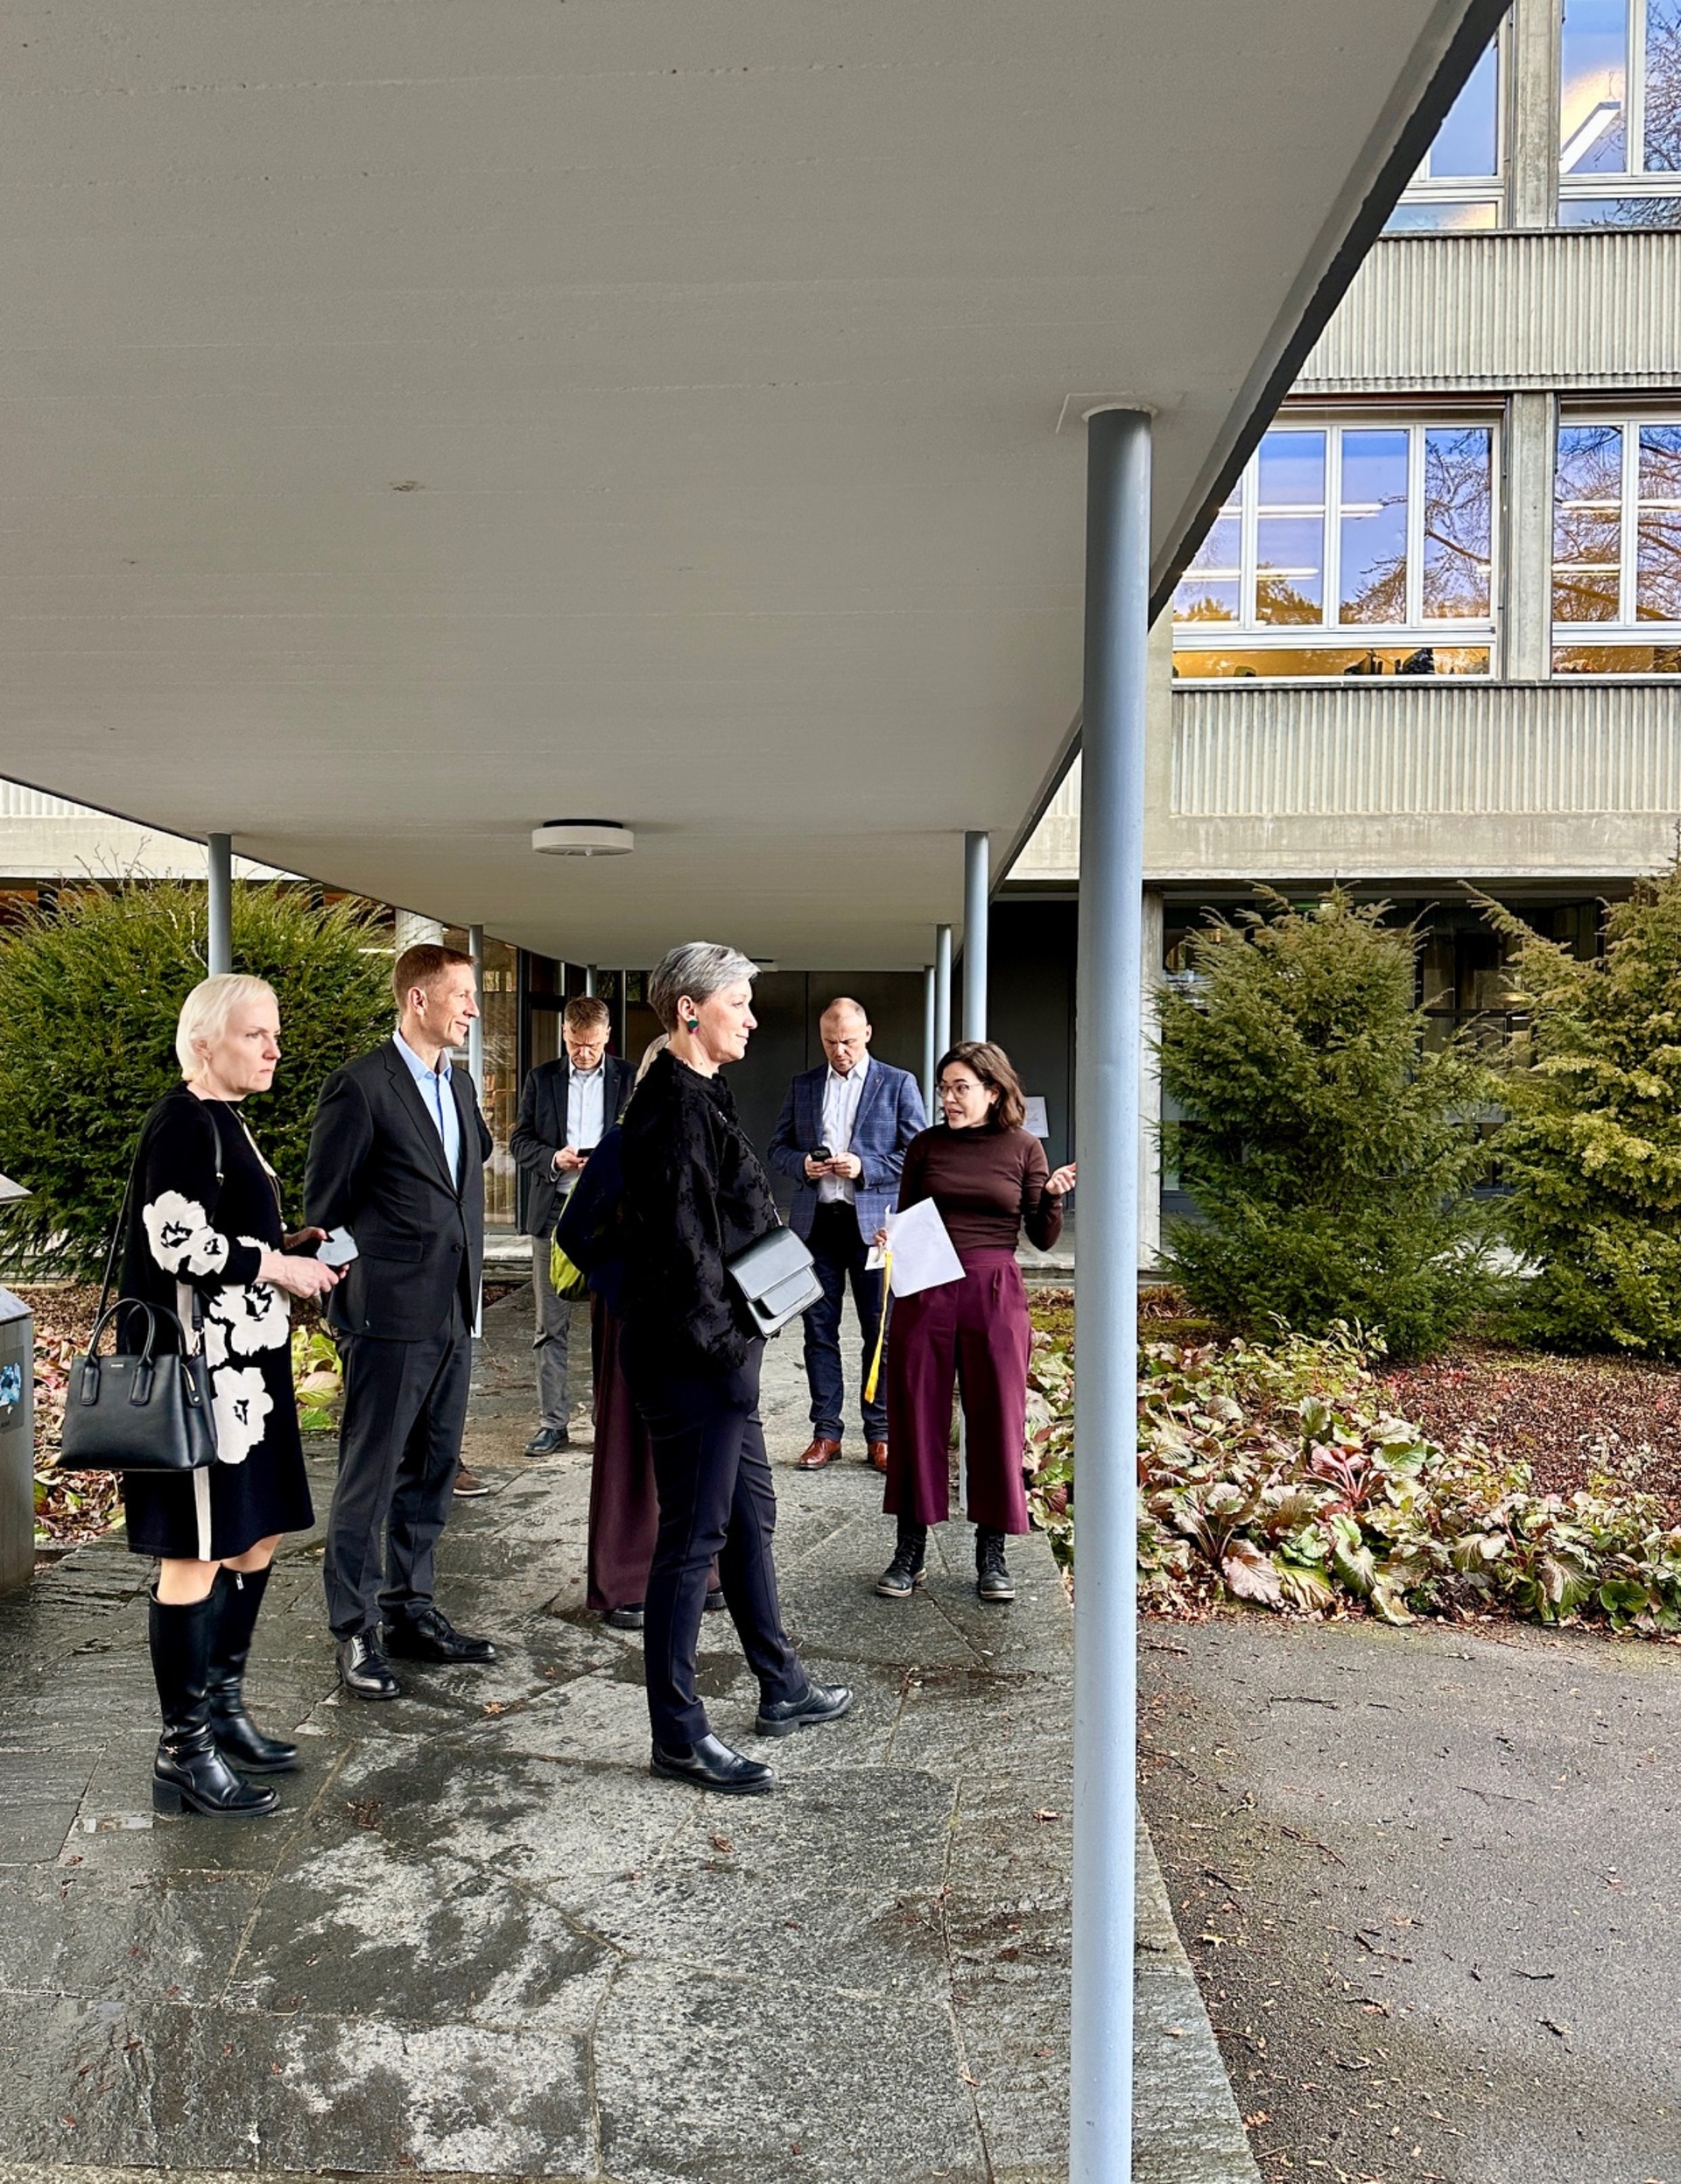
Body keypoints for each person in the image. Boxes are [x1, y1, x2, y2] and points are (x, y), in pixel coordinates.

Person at [620, 942, 852, 1794]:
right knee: (691, 1543)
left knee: (750, 1518)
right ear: (690, 1009)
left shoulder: (700, 1091)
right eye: (739, 1003)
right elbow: (684, 1258)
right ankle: (677, 1736)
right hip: (696, 1364)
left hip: (719, 1357)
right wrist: (730, 1358)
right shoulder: (673, 1108)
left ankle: (781, 1684)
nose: (753, 1018)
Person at [119, 974, 342, 1818]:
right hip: (200, 1381)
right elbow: (175, 1241)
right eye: (257, 1035)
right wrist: (276, 1264)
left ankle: (221, 1710)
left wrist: (287, 1243)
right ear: (205, 1043)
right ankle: (183, 1752)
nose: (274, 1049)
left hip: (247, 1376)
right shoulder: (182, 1120)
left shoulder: (225, 1121)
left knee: (257, 1533)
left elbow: (221, 1231)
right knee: (198, 1550)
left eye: (274, 1033)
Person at [304, 941, 496, 1700]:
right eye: (462, 995)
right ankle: (354, 1629)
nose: (473, 1008)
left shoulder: (461, 1083)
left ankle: (410, 1611)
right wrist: (356, 1298)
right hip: (386, 1318)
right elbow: (325, 1212)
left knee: (434, 1467)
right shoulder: (359, 1086)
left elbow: (459, 1180)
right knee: (372, 1476)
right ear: (419, 999)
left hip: (453, 1309)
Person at [876, 1040, 1075, 1606]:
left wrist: (1052, 1197)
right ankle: (910, 1550)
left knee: (996, 1419)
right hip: (927, 1288)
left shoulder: (1024, 1147)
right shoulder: (926, 1145)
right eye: (944, 1088)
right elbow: (908, 1216)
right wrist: (890, 1236)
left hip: (994, 1291)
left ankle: (993, 1554)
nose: (949, 1099)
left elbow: (1042, 1237)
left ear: (993, 1091)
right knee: (915, 1414)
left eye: (961, 1088)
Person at [555, 1032, 728, 1630]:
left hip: (698, 1315)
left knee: (694, 1444)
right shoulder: (622, 1143)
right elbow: (574, 1234)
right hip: (636, 1314)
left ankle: (700, 1569)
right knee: (630, 1443)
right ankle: (626, 1578)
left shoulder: (711, 1137)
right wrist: (625, 1285)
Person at [767, 997, 925, 1474]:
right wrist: (803, 1164)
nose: (840, 1051)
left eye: (849, 1041)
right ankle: (826, 1432)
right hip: (817, 1224)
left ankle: (881, 1433)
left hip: (874, 1228)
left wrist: (865, 1167)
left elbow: (918, 1154)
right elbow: (777, 1149)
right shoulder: (804, 1085)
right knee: (818, 1330)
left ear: (867, 1034)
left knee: (881, 1331)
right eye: (831, 1042)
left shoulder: (898, 1083)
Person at [510, 995, 634, 1456]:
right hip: (553, 1214)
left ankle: (610, 1422)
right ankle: (552, 1423)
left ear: (607, 1036)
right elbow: (519, 1141)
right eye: (575, 1043)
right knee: (550, 1325)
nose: (583, 1053)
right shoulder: (541, 1080)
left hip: (610, 1220)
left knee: (612, 1325)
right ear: (564, 1034)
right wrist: (553, 1158)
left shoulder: (628, 1078)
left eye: (592, 1044)